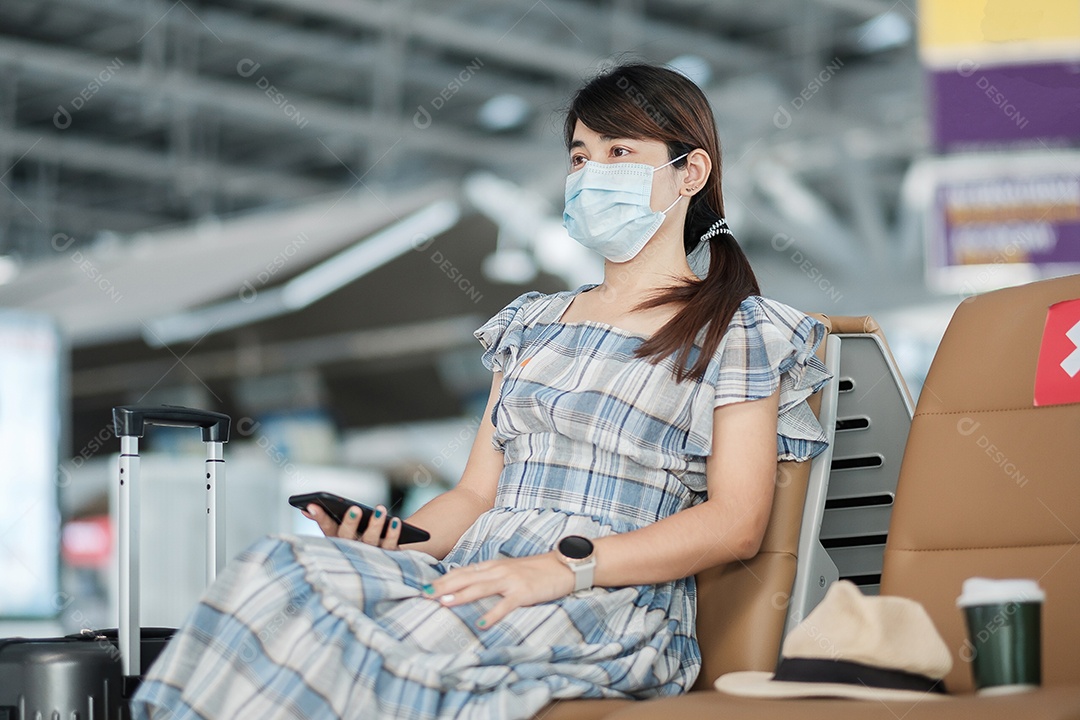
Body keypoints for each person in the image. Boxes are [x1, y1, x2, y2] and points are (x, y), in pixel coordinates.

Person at [131, 62, 830, 720]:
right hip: (481, 571)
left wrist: (561, 571)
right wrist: (395, 544)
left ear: (690, 172)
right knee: (278, 569)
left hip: (607, 595)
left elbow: (736, 522)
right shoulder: (529, 324)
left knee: (396, 650)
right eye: (580, 157)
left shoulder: (737, 329)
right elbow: (473, 497)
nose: (590, 173)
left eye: (620, 152)